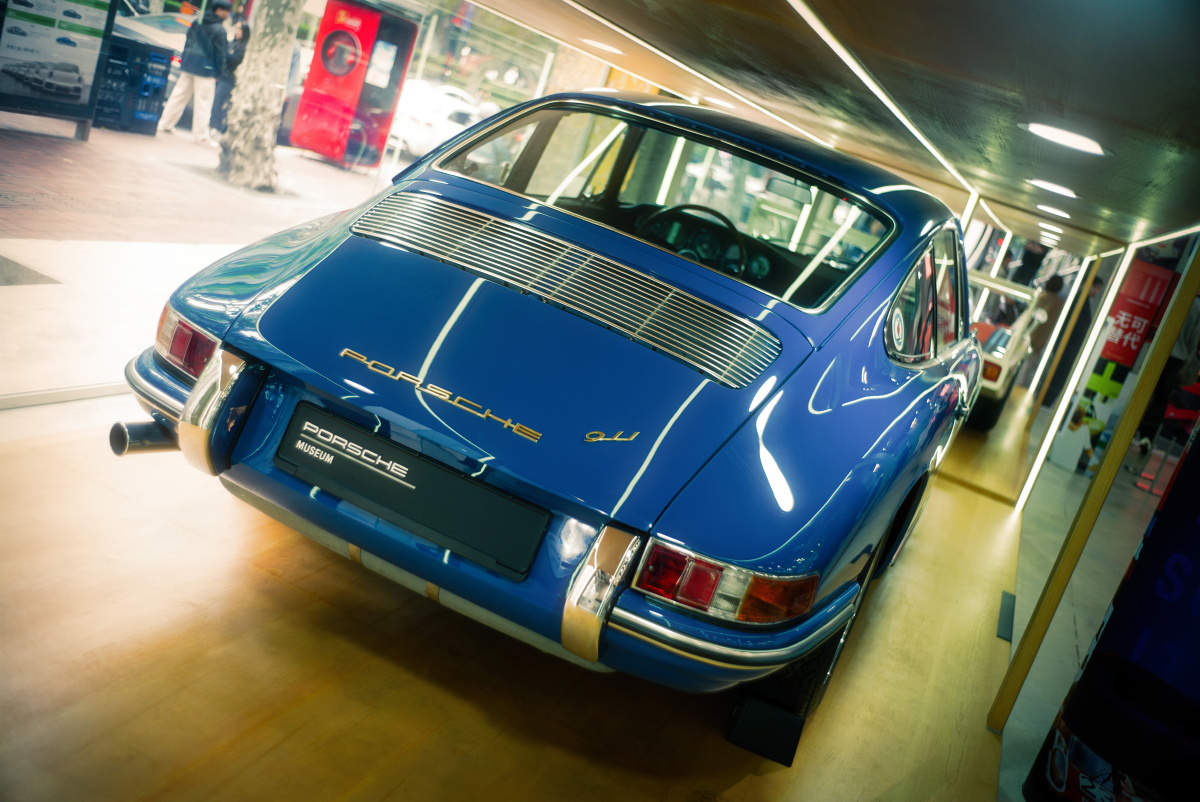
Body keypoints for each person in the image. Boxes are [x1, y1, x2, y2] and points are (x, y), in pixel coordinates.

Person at [157, 0, 231, 145]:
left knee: (178, 96)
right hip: (206, 71)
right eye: (227, 11)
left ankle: (165, 124)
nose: (228, 15)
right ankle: (201, 136)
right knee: (203, 103)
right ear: (219, 11)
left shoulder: (198, 21)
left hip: (189, 65)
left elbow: (188, 41)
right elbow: (220, 55)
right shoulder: (220, 30)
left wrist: (184, 61)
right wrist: (220, 73)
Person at [210, 13, 250, 138]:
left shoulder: (244, 47)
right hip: (224, 76)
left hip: (232, 79)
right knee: (217, 102)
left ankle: (217, 128)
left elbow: (235, 60)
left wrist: (226, 54)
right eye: (235, 28)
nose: (236, 31)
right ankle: (214, 127)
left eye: (239, 29)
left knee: (220, 103)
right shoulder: (233, 43)